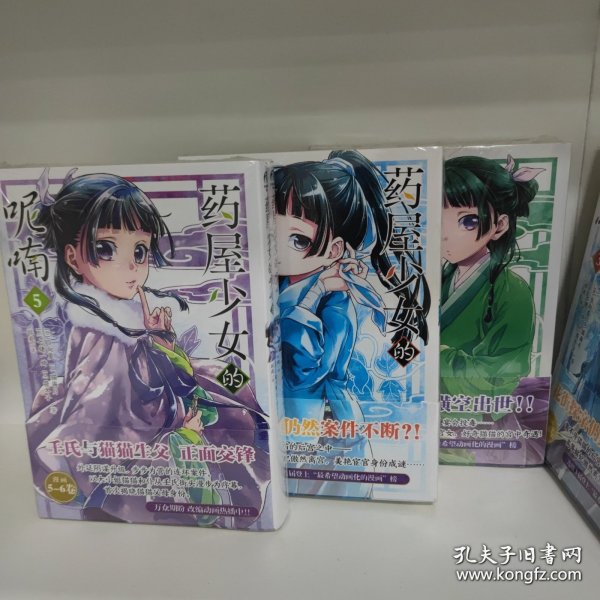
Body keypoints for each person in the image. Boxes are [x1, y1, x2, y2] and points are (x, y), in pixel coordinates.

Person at [27, 170, 268, 526]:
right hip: (140, 436)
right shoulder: (101, 334)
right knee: (213, 433)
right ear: (73, 258)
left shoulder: (123, 317)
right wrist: (183, 428)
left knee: (228, 375)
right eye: (106, 249)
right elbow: (105, 414)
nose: (131, 266)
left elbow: (155, 374)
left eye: (139, 251)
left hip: (160, 405)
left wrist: (160, 338)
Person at [274, 150, 428, 496]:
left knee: (329, 499)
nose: (279, 248)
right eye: (272, 231)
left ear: (334, 249)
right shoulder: (284, 283)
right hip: (291, 415)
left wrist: (313, 296)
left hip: (323, 421)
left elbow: (307, 369)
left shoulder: (336, 303)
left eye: (297, 239)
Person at [440, 154, 543, 398]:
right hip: (429, 405)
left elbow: (500, 376)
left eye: (467, 221)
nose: (445, 235)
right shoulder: (440, 278)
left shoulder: (513, 291)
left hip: (474, 414)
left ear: (500, 225)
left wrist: (438, 354)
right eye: (437, 220)